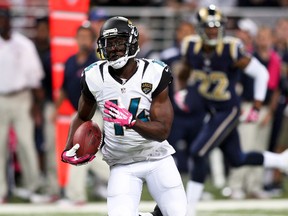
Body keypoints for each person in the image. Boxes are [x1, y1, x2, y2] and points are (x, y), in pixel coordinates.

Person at [147, 4, 288, 216]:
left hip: (228, 110)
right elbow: (185, 69)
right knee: (237, 158)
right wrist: (181, 90)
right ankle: (281, 161)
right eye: (208, 27)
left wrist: (257, 106)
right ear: (200, 28)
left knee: (198, 151)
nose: (213, 31)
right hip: (210, 110)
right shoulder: (190, 46)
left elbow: (261, 73)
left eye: (216, 26)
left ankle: (189, 209)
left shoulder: (231, 48)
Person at [61, 16, 187, 216]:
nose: (113, 48)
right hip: (122, 163)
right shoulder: (95, 76)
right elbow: (83, 116)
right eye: (109, 43)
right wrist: (70, 147)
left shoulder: (153, 72)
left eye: (119, 42)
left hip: (157, 158)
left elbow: (162, 130)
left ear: (132, 42)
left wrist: (132, 122)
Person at [53, 21, 109, 204]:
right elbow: (63, 88)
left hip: (93, 113)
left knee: (78, 151)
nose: (83, 40)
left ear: (93, 40)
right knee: (85, 154)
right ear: (76, 39)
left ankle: (75, 196)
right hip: (76, 113)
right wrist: (56, 108)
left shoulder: (97, 63)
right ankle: (122, 174)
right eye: (81, 37)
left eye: (87, 37)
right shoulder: (70, 61)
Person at [0, 4, 45, 203]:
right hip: (0, 99)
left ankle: (32, 187)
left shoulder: (24, 44)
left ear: (10, 21)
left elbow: (35, 79)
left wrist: (36, 107)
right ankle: (1, 191)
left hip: (22, 98)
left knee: (25, 144)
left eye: (3, 19)